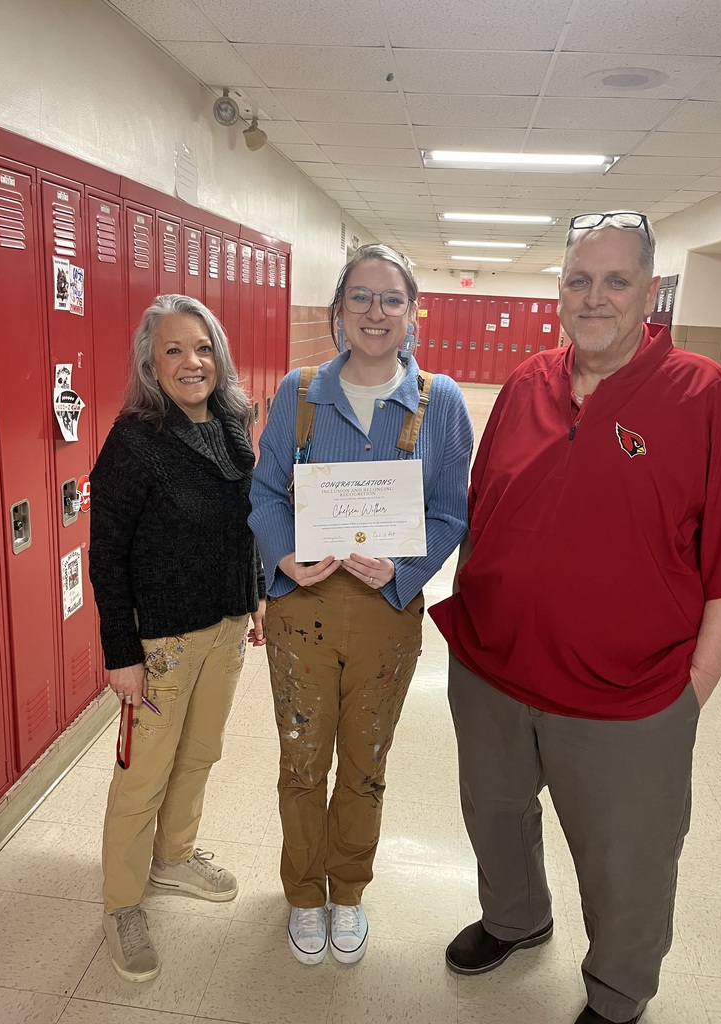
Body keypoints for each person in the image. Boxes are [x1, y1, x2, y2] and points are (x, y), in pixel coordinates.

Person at [429, 211, 721, 1024]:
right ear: (559, 292)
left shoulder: (705, 396)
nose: (595, 296)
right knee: (495, 817)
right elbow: (485, 509)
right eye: (579, 279)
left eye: (617, 280)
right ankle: (516, 918)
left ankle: (617, 991)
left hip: (629, 698)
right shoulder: (524, 383)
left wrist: (692, 690)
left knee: (627, 861)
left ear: (650, 290)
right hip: (494, 672)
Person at [249, 243, 472, 966]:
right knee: (302, 760)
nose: (376, 313)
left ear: (412, 313)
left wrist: (403, 570)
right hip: (300, 610)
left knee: (366, 761)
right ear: (338, 309)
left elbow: (449, 512)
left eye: (392, 299)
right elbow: (264, 489)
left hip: (387, 614)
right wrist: (285, 554)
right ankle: (304, 894)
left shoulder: (440, 401)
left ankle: (348, 888)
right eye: (362, 297)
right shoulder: (300, 391)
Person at [89, 294, 266, 983]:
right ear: (150, 365)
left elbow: (244, 519)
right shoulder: (135, 441)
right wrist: (121, 655)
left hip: (223, 627)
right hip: (160, 640)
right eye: (173, 351)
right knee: (142, 778)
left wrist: (251, 595)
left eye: (202, 347)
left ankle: (174, 859)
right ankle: (122, 903)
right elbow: (106, 555)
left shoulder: (231, 421)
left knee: (200, 755)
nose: (192, 362)